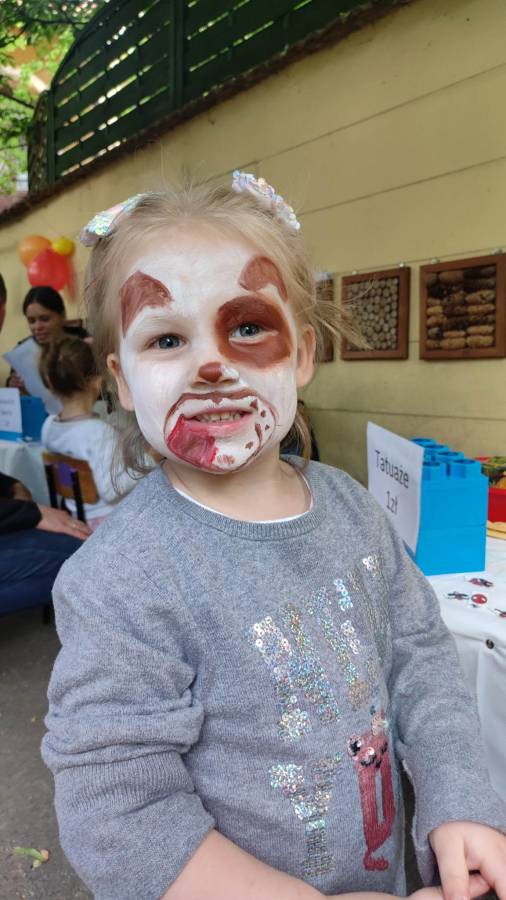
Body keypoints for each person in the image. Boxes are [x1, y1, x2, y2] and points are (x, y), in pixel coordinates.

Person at [41, 177, 506, 900]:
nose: (211, 364)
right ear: (123, 382)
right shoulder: (120, 578)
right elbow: (119, 813)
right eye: (167, 338)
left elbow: (420, 661)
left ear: (303, 354)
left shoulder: (352, 508)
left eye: (250, 327)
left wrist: (459, 801)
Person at [39, 336, 137, 529]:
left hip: (75, 513)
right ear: (98, 381)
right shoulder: (99, 432)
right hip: (106, 522)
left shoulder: (48, 426)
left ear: (51, 384)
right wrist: (148, 462)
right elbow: (112, 490)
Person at [6, 286, 88, 394]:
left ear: (62, 316)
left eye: (45, 319)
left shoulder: (84, 346)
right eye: (31, 321)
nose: (37, 327)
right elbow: (11, 393)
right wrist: (13, 386)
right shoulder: (22, 352)